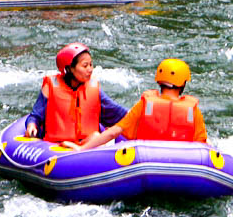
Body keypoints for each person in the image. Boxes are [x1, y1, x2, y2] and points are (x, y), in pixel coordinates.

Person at [65, 58, 207, 151]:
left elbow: (114, 132)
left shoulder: (146, 105)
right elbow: (203, 146)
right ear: (183, 84)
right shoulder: (193, 111)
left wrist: (81, 149)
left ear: (159, 81)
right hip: (184, 162)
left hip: (145, 160)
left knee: (111, 132)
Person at [24, 43, 128, 143]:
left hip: (87, 145)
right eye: (85, 66)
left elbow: (118, 113)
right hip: (55, 146)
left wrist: (136, 117)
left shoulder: (93, 88)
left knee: (96, 136)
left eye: (91, 65)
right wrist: (32, 125)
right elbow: (35, 115)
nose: (90, 69)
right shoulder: (51, 86)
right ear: (69, 69)